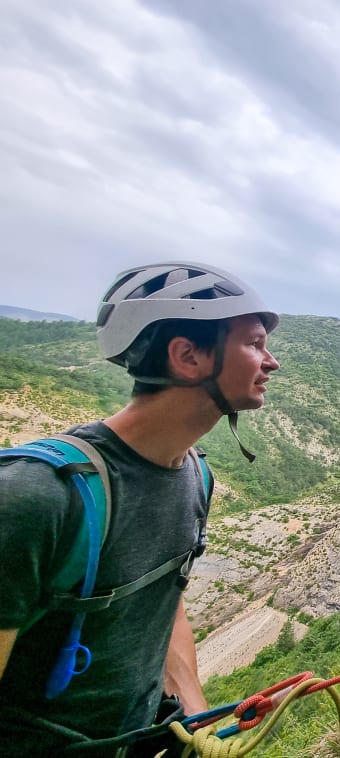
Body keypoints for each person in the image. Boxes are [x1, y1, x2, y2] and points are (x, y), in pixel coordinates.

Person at [0, 262, 280, 753]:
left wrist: (197, 720)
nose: (270, 361)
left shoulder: (194, 475)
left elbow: (164, 603)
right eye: (254, 343)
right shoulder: (37, 497)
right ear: (187, 356)